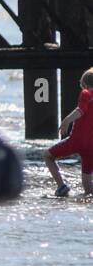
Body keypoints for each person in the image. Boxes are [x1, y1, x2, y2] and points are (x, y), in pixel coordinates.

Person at [44, 67, 93, 198]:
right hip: (91, 146)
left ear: (84, 85)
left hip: (76, 141)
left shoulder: (85, 93)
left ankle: (61, 186)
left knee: (48, 156)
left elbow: (81, 110)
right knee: (88, 189)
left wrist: (66, 120)